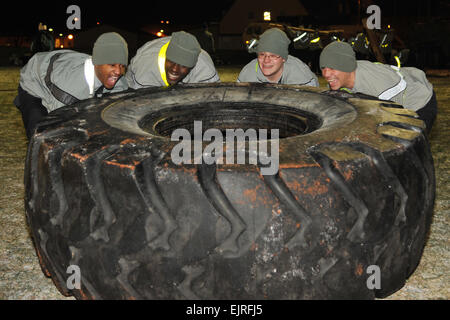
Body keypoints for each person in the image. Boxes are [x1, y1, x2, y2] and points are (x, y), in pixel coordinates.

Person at [14, 32, 129, 139]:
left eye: (122, 66)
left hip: (61, 68)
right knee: (42, 137)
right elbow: (58, 125)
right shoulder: (70, 89)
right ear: (97, 63)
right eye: (112, 65)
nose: (118, 71)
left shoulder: (120, 82)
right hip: (35, 79)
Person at [319, 41, 437, 134]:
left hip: (419, 103)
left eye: (332, 68)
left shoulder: (376, 85)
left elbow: (393, 118)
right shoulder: (337, 81)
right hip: (389, 104)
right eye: (323, 68)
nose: (326, 74)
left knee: (404, 149)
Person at [125, 31, 220, 88]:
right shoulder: (145, 64)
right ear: (166, 57)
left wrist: (197, 122)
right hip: (141, 86)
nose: (174, 69)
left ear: (192, 66)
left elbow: (208, 106)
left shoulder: (205, 69)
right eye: (171, 61)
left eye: (183, 65)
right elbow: (143, 105)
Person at [237, 28, 318, 86]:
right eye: (262, 54)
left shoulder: (301, 78)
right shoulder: (247, 74)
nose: (266, 60)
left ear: (283, 58)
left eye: (273, 56)